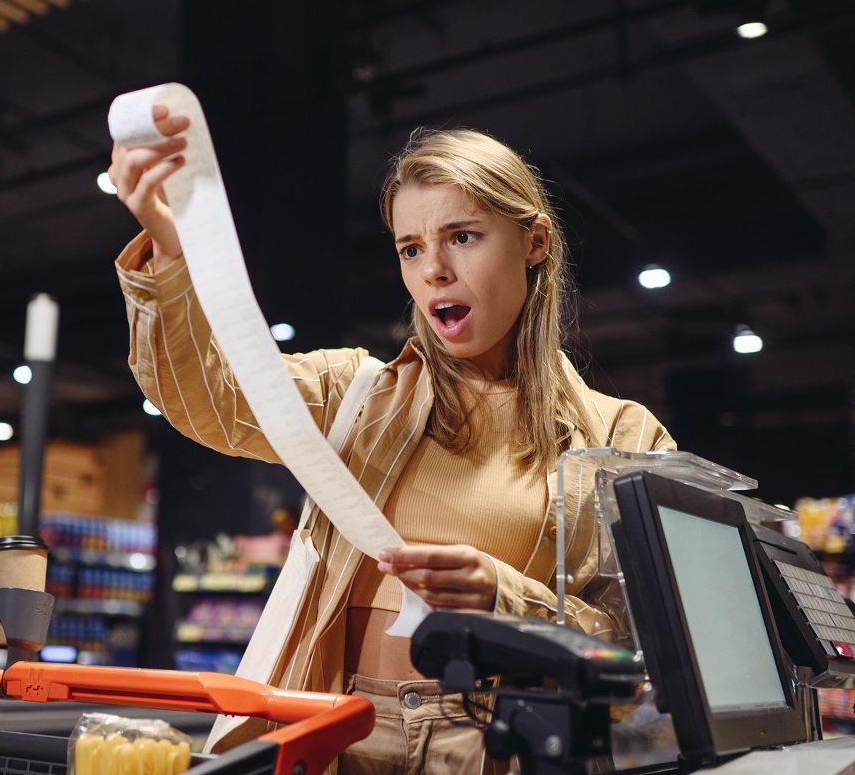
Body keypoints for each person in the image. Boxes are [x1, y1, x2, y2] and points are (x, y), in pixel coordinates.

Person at [109, 107, 675, 775]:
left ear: (535, 242)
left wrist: (505, 600)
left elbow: (643, 654)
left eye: (462, 236)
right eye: (411, 247)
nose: (433, 269)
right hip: (335, 729)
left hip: (498, 747)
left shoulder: (622, 437)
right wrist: (171, 250)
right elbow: (208, 397)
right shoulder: (356, 393)